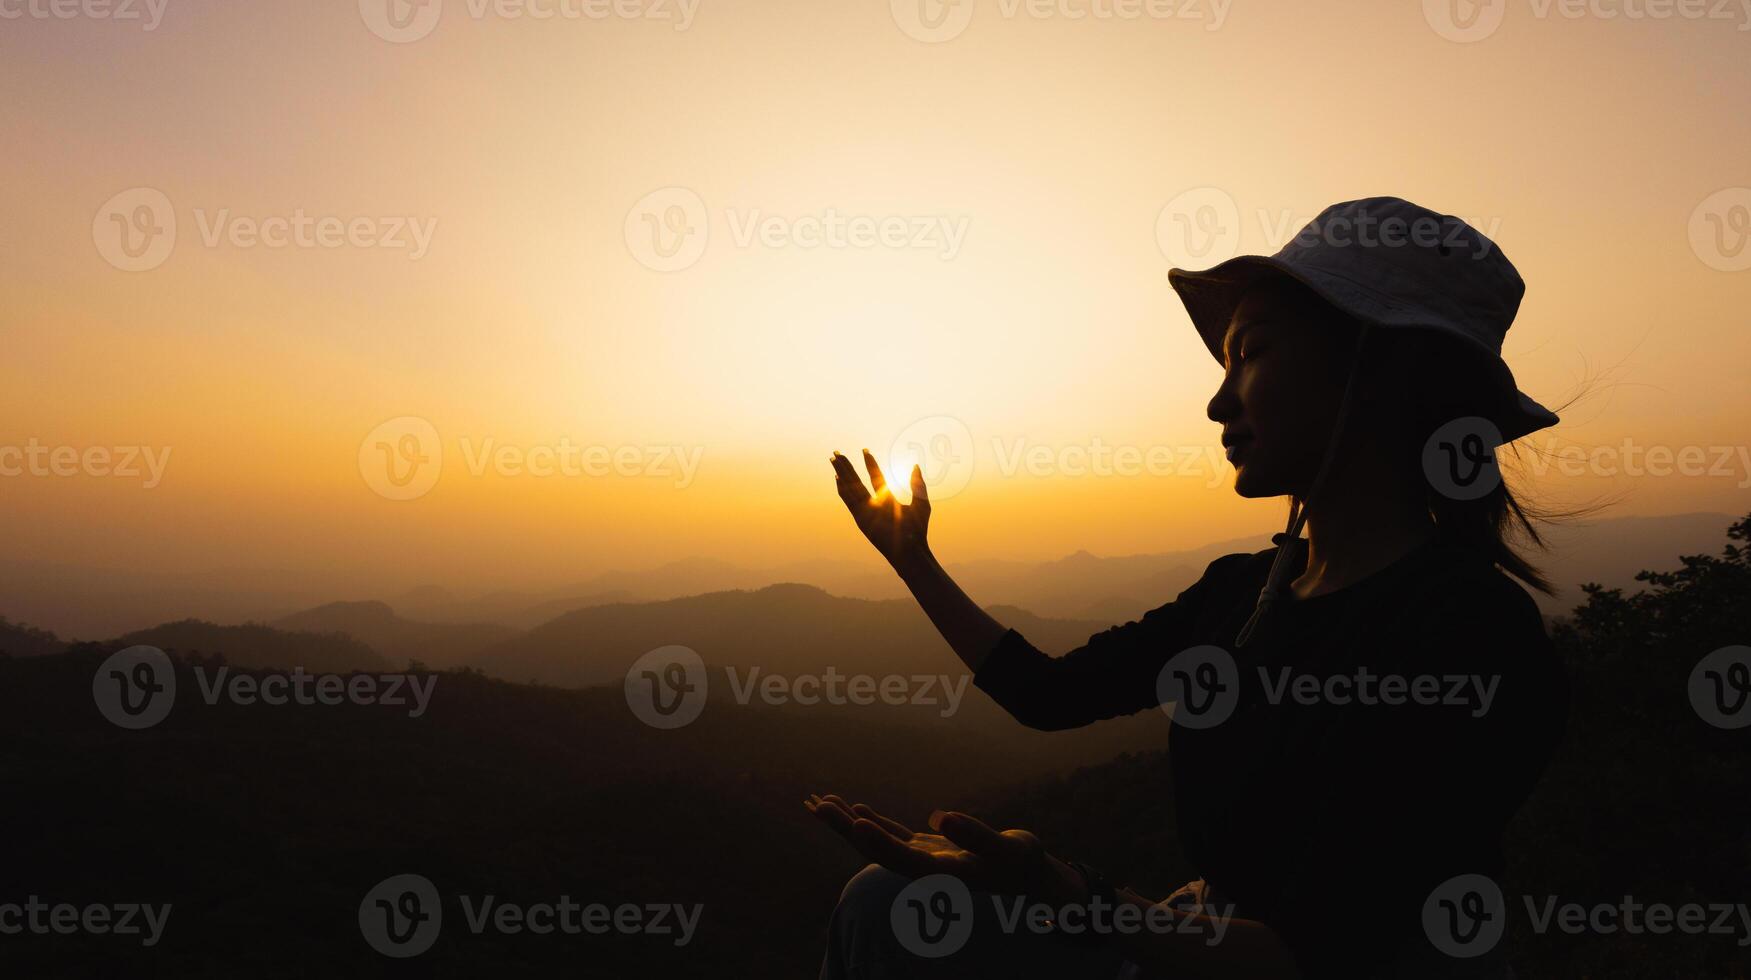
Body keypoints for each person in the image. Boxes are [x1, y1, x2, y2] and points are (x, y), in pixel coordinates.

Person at [810, 197, 1571, 978]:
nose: (1218, 400)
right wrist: (913, 561)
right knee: (882, 903)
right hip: (1200, 934)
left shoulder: (1465, 632)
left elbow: (1315, 955)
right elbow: (1046, 693)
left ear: (1378, 376)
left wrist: (1062, 892)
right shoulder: (1239, 594)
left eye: (1253, 354)